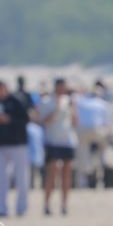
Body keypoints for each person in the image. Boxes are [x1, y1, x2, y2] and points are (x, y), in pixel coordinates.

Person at [0, 79, 32, 218]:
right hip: (0, 145)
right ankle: (2, 208)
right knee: (0, 178)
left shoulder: (16, 101)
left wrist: (9, 120)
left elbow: (25, 119)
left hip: (18, 144)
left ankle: (22, 207)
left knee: (21, 177)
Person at [38, 79, 78, 215]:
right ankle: (47, 203)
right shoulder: (47, 101)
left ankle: (64, 204)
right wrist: (56, 109)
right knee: (52, 173)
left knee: (67, 173)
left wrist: (73, 108)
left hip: (68, 140)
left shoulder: (69, 101)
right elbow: (42, 121)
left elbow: (74, 122)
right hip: (53, 140)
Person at [75, 82, 112, 188]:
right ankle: (102, 172)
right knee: (103, 151)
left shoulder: (82, 102)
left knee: (82, 156)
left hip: (82, 130)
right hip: (97, 129)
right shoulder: (102, 103)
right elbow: (107, 124)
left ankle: (82, 183)